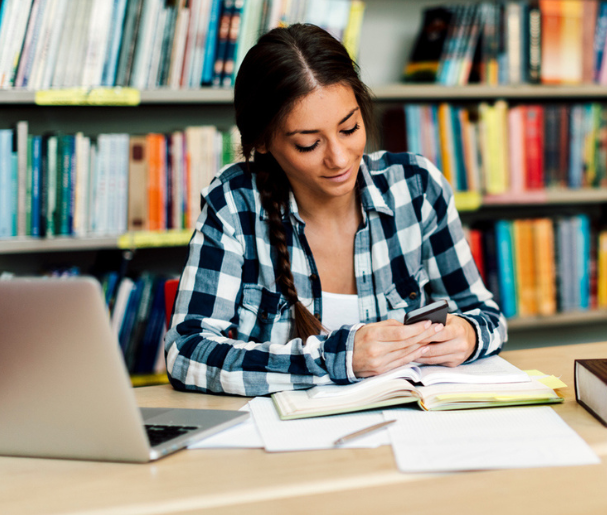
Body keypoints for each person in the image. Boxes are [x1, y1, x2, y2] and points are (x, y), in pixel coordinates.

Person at [164, 24, 507, 396]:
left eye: (350, 128)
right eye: (309, 144)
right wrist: (336, 359)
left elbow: (486, 315)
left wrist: (468, 335)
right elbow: (186, 352)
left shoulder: (417, 187)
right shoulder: (233, 204)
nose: (340, 159)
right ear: (262, 142)